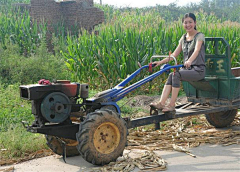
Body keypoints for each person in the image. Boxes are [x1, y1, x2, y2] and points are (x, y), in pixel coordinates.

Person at [150, 13, 205, 112]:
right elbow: (174, 54)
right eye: (185, 23)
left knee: (175, 74)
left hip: (198, 70)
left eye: (190, 22)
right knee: (172, 74)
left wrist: (189, 61)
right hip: (187, 69)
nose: (188, 25)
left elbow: (197, 50)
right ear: (183, 24)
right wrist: (160, 62)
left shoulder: (199, 36)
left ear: (195, 23)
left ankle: (171, 105)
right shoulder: (183, 38)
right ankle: (161, 103)